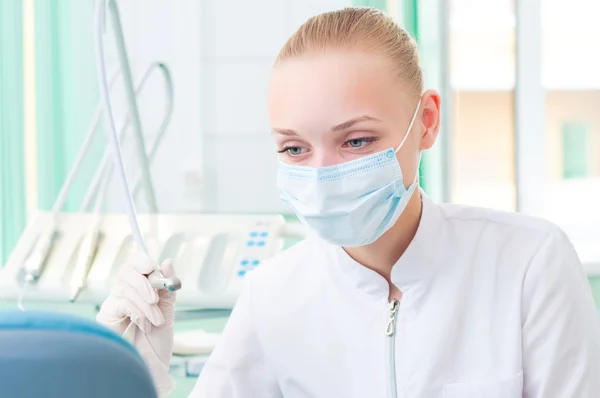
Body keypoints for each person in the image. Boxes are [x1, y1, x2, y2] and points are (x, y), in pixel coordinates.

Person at [97, 7, 600, 398]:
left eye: (356, 141)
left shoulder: (529, 265)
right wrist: (139, 377)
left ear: (425, 122)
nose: (323, 173)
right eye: (294, 148)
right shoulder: (272, 297)